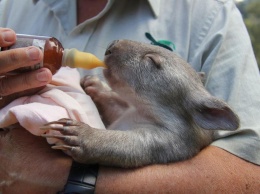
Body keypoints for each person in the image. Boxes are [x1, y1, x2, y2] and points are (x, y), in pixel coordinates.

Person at [0, 0, 260, 193]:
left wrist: (66, 174)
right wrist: (104, 97)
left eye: (152, 61)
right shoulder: (11, 5)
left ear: (207, 111)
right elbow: (127, 116)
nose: (116, 46)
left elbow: (250, 173)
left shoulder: (211, 15)